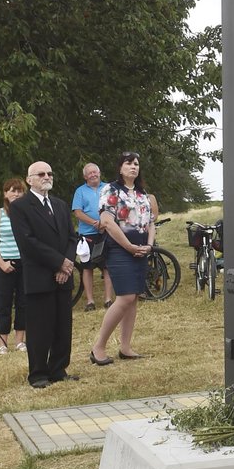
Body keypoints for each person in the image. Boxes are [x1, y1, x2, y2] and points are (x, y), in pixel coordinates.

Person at [8, 160, 78, 387]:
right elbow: (28, 243)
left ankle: (58, 369)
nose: (46, 176)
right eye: (40, 174)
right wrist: (58, 263)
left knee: (62, 325)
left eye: (49, 173)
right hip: (39, 275)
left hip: (63, 275)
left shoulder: (60, 205)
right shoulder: (20, 207)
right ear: (29, 180)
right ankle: (38, 374)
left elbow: (71, 237)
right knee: (39, 328)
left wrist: (66, 265)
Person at [89, 152, 156, 366]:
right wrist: (128, 246)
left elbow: (151, 222)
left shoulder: (142, 192)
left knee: (133, 298)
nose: (133, 167)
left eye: (136, 163)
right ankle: (98, 347)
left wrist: (150, 245)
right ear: (120, 168)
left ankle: (125, 347)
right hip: (120, 251)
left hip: (140, 251)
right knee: (125, 298)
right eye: (128, 163)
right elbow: (107, 221)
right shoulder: (110, 190)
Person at [0, 177, 28, 354]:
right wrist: (1, 263)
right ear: (5, 193)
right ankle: (3, 343)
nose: (16, 194)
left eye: (19, 191)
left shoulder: (28, 212)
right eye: (12, 190)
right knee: (3, 303)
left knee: (23, 303)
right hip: (5, 263)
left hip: (25, 263)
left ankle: (20, 341)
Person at [71, 162, 115, 312]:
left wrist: (105, 222)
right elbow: (77, 212)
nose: (93, 174)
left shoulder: (109, 188)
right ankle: (90, 301)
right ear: (85, 176)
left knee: (107, 267)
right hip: (88, 234)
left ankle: (108, 299)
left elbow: (115, 207)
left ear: (99, 172)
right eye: (90, 173)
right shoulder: (80, 191)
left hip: (107, 232)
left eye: (95, 172)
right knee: (87, 268)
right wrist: (94, 223)